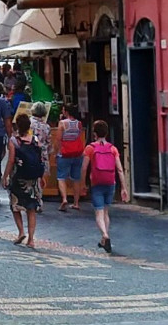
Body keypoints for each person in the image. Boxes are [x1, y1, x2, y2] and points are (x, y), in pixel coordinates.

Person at [88, 120, 131, 253]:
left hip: (96, 183)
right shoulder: (113, 149)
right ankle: (104, 239)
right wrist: (124, 188)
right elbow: (119, 169)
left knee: (98, 212)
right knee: (106, 211)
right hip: (110, 183)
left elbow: (84, 168)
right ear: (106, 133)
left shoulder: (90, 148)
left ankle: (105, 235)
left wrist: (82, 184)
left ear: (94, 133)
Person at [3, 114, 45, 247]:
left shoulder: (14, 141)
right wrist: (42, 176)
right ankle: (31, 239)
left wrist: (5, 176)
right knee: (31, 208)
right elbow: (40, 159)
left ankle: (21, 232)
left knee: (15, 206)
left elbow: (11, 161)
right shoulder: (35, 140)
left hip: (18, 177)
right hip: (33, 179)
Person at [54, 105, 88, 211]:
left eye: (63, 110)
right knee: (76, 178)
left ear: (66, 112)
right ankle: (76, 203)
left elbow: (58, 139)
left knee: (61, 177)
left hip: (65, 154)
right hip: (77, 154)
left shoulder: (62, 124)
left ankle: (64, 198)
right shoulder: (79, 124)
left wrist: (56, 152)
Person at [27, 102, 52, 213]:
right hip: (42, 155)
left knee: (29, 177)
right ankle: (39, 199)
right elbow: (49, 142)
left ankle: (30, 198)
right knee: (39, 178)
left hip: (29, 154)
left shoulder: (28, 123)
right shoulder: (46, 126)